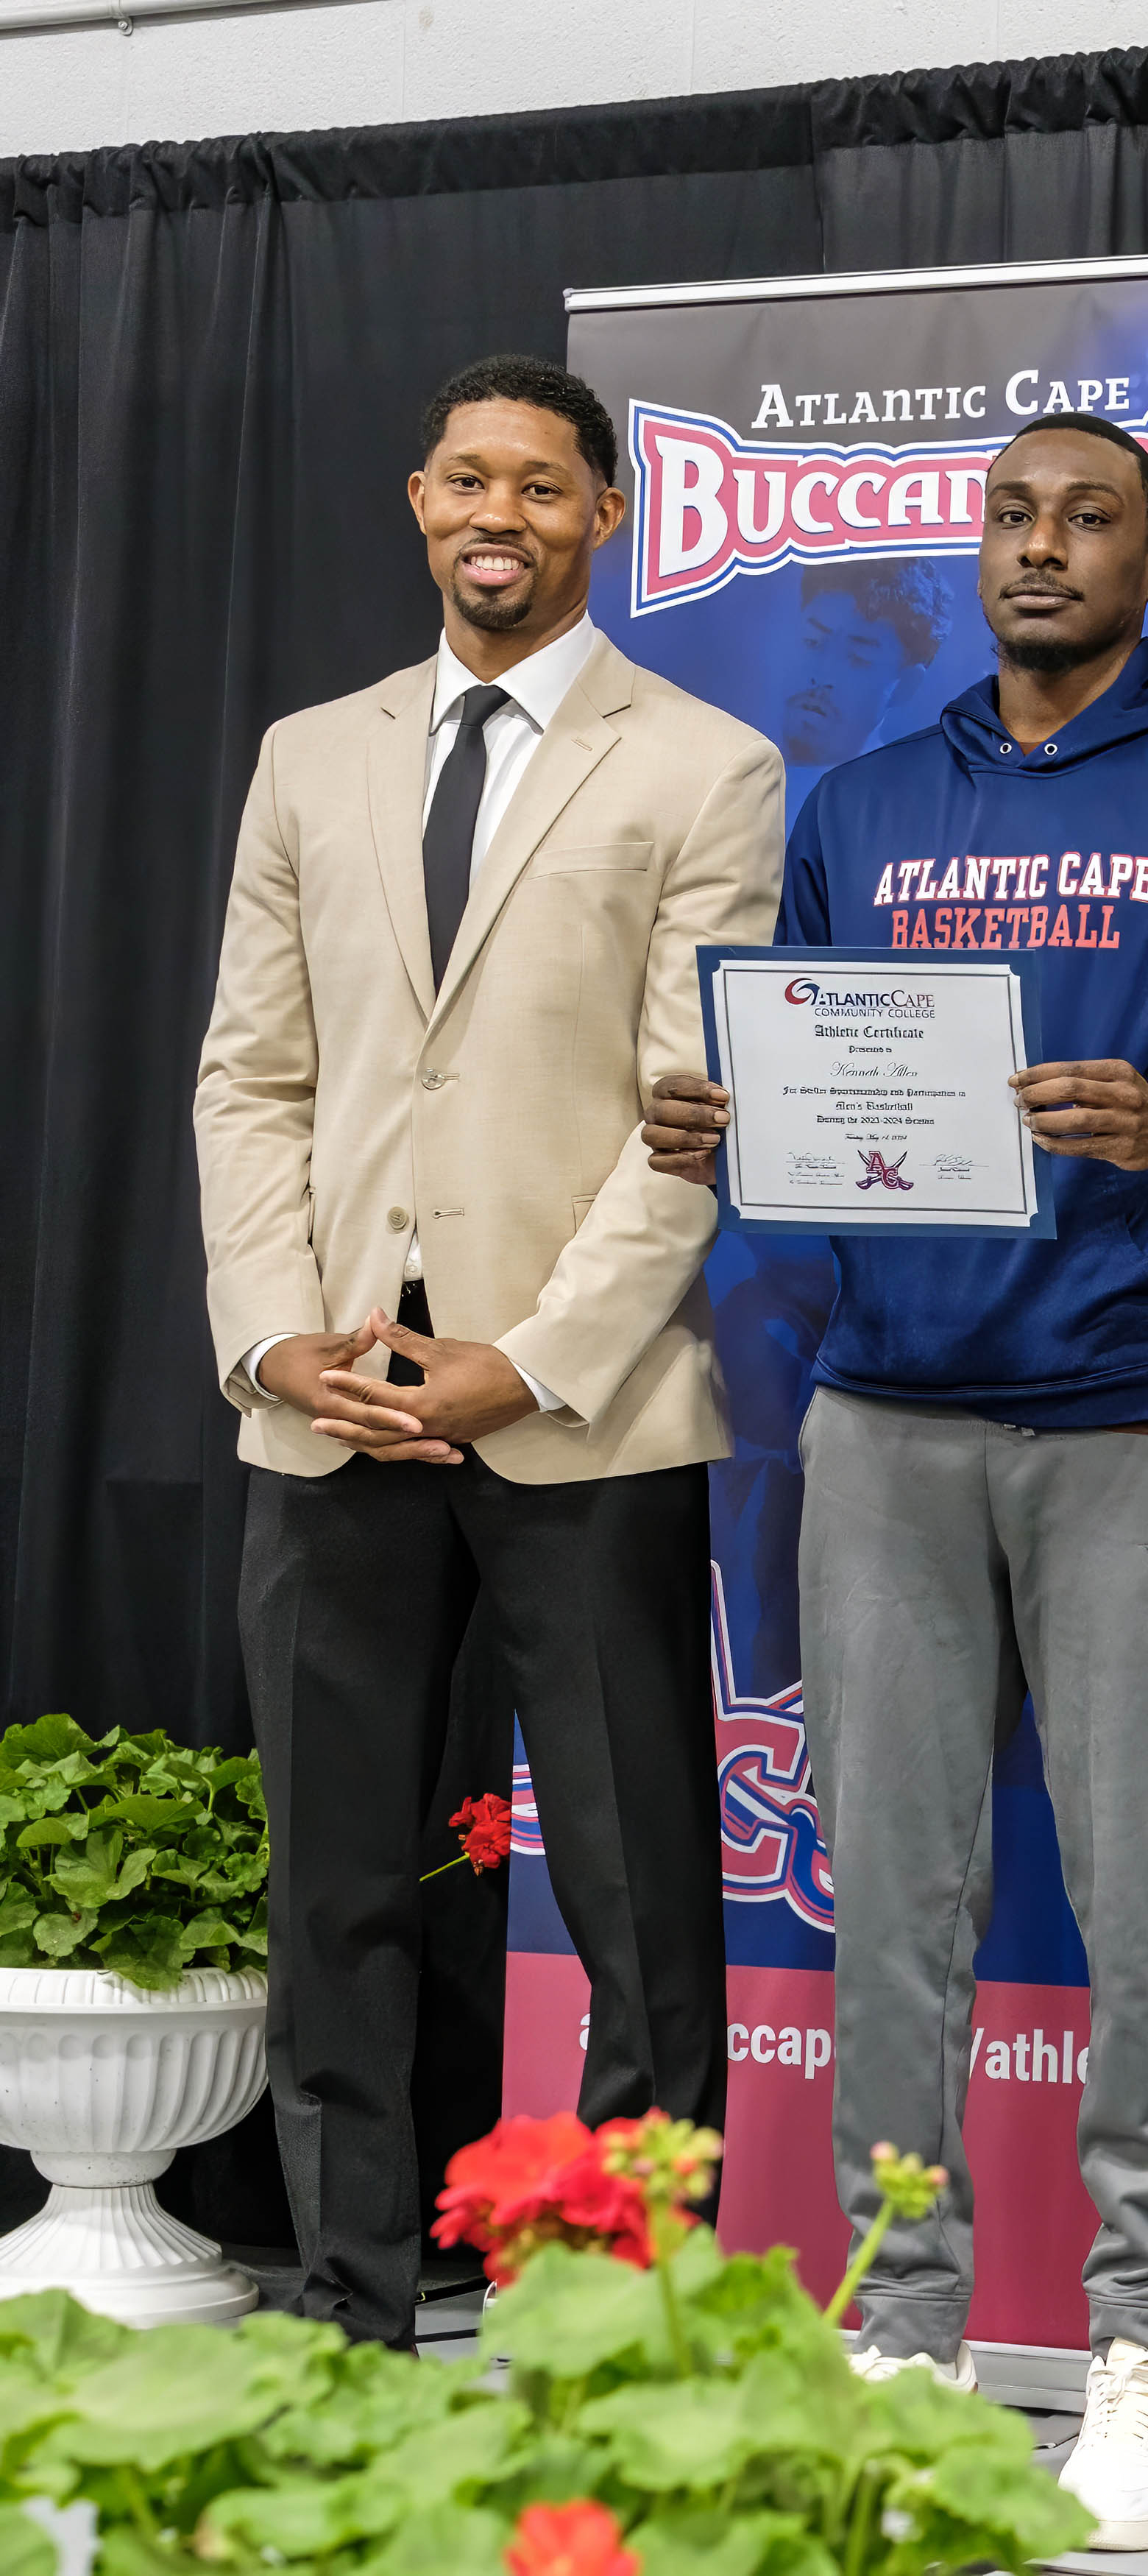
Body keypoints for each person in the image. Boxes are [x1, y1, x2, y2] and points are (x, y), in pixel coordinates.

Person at [640, 412, 1148, 2552]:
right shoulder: (866, 801)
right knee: (896, 1906)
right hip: (884, 1415)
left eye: (1089, 520)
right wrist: (734, 1127)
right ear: (973, 548)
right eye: (1011, 516)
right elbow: (809, 1087)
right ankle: (907, 2326)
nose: (1041, 548)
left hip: (1141, 1416)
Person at [194, 353, 781, 2346]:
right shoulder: (309, 755)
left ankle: (616, 2332)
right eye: (466, 479)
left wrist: (526, 1358)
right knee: (336, 1897)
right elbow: (251, 1080)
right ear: (420, 501)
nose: (497, 513)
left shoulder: (704, 763)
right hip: (332, 1414)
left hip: (579, 1420)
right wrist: (283, 1344)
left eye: (539, 483)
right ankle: (351, 2305)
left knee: (639, 1911)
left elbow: (692, 1109)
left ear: (603, 516)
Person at [776, 558, 951, 796]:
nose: (822, 675)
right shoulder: (734, 772)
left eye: (858, 657)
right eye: (812, 641)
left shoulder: (911, 803)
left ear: (905, 686)